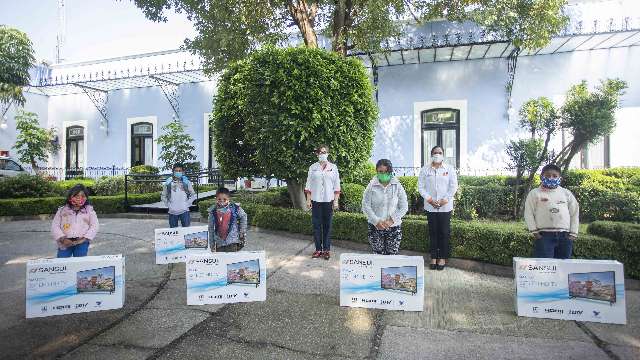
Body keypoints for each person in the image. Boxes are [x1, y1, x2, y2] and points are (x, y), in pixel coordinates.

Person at [524, 164, 579, 259]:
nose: (551, 177)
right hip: (544, 237)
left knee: (563, 268)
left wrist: (573, 234)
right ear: (541, 177)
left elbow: (574, 213)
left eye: (554, 176)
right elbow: (528, 213)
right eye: (548, 175)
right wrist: (536, 233)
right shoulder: (534, 193)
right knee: (545, 268)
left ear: (560, 178)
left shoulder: (566, 193)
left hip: (565, 237)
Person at [418, 146, 458, 270]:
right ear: (431, 155)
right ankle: (434, 257)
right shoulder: (425, 169)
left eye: (440, 153)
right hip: (430, 207)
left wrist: (445, 200)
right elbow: (421, 187)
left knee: (444, 233)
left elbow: (453, 186)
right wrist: (429, 199)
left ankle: (442, 258)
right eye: (435, 152)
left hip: (445, 207)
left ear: (443, 155)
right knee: (433, 233)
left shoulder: (449, 169)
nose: (437, 154)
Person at [361, 159, 408, 255]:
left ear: (390, 172)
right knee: (377, 257)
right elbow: (366, 206)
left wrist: (392, 220)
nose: (383, 174)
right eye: (380, 171)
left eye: (386, 171)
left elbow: (404, 207)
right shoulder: (371, 186)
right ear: (376, 171)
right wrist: (376, 221)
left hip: (394, 227)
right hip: (375, 227)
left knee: (392, 258)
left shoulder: (397, 186)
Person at [305, 144, 341, 260]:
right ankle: (318, 249)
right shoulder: (312, 167)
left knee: (327, 226)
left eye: (324, 152)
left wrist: (335, 201)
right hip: (316, 200)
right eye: (320, 152)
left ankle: (326, 249)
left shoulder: (333, 167)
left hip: (328, 201)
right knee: (316, 226)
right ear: (317, 154)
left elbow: (336, 186)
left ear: (328, 154)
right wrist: (308, 199)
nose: (322, 154)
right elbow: (308, 185)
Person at [51, 184, 99, 258]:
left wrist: (84, 238)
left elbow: (94, 226)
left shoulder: (89, 211)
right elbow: (55, 226)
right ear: (70, 197)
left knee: (80, 264)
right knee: (62, 262)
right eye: (76, 196)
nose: (79, 198)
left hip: (82, 242)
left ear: (86, 197)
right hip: (64, 242)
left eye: (82, 196)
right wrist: (62, 238)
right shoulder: (62, 210)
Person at [208, 187, 248, 252]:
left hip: (232, 242)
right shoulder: (212, 211)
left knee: (232, 261)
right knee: (221, 261)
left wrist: (242, 231)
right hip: (219, 243)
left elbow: (244, 216)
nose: (222, 201)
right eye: (219, 199)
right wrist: (212, 244)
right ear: (216, 199)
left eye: (224, 199)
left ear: (228, 199)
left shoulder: (235, 208)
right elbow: (211, 228)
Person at [161, 163, 195, 228]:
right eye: (176, 171)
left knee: (186, 232)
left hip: (185, 211)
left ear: (183, 172)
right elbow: (163, 195)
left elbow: (193, 195)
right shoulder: (168, 183)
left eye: (180, 171)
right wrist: (169, 205)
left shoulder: (186, 182)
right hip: (172, 212)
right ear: (173, 171)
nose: (178, 172)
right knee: (174, 234)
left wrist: (187, 204)